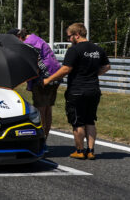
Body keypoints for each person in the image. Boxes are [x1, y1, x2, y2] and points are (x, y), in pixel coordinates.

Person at [44, 23, 111, 160]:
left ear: (77, 35)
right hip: (94, 90)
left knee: (77, 121)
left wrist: (48, 80)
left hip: (77, 90)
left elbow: (66, 69)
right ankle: (91, 151)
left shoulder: (74, 50)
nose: (69, 39)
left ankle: (80, 151)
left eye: (69, 36)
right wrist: (93, 74)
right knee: (90, 120)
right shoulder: (98, 49)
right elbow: (107, 66)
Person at [9, 28, 61, 137]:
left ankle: (41, 140)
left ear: (17, 38)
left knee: (40, 111)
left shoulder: (28, 45)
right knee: (48, 109)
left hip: (43, 79)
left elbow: (34, 64)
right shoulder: (36, 39)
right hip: (55, 76)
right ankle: (45, 138)